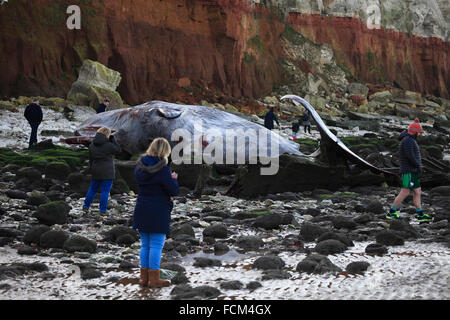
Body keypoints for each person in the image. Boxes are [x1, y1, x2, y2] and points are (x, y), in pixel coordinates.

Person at [132, 138, 179, 288]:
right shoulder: (163, 168)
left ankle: (143, 279)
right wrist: (174, 180)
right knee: (157, 245)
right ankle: (154, 279)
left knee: (145, 245)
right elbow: (173, 190)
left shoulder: (139, 166)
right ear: (165, 151)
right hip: (158, 208)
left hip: (142, 206)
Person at [386, 118, 432, 222]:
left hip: (413, 170)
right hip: (408, 171)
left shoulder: (410, 139)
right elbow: (410, 155)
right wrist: (418, 165)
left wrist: (417, 167)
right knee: (405, 192)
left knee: (418, 191)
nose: (419, 135)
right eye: (418, 132)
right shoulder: (407, 140)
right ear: (414, 132)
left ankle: (420, 215)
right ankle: (391, 213)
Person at [83, 126, 121, 214]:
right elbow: (118, 150)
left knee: (92, 189)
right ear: (107, 134)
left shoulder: (92, 145)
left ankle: (86, 206)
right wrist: (113, 139)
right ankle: (102, 210)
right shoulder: (109, 145)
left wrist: (90, 169)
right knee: (105, 191)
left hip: (96, 170)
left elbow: (91, 159)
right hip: (107, 171)